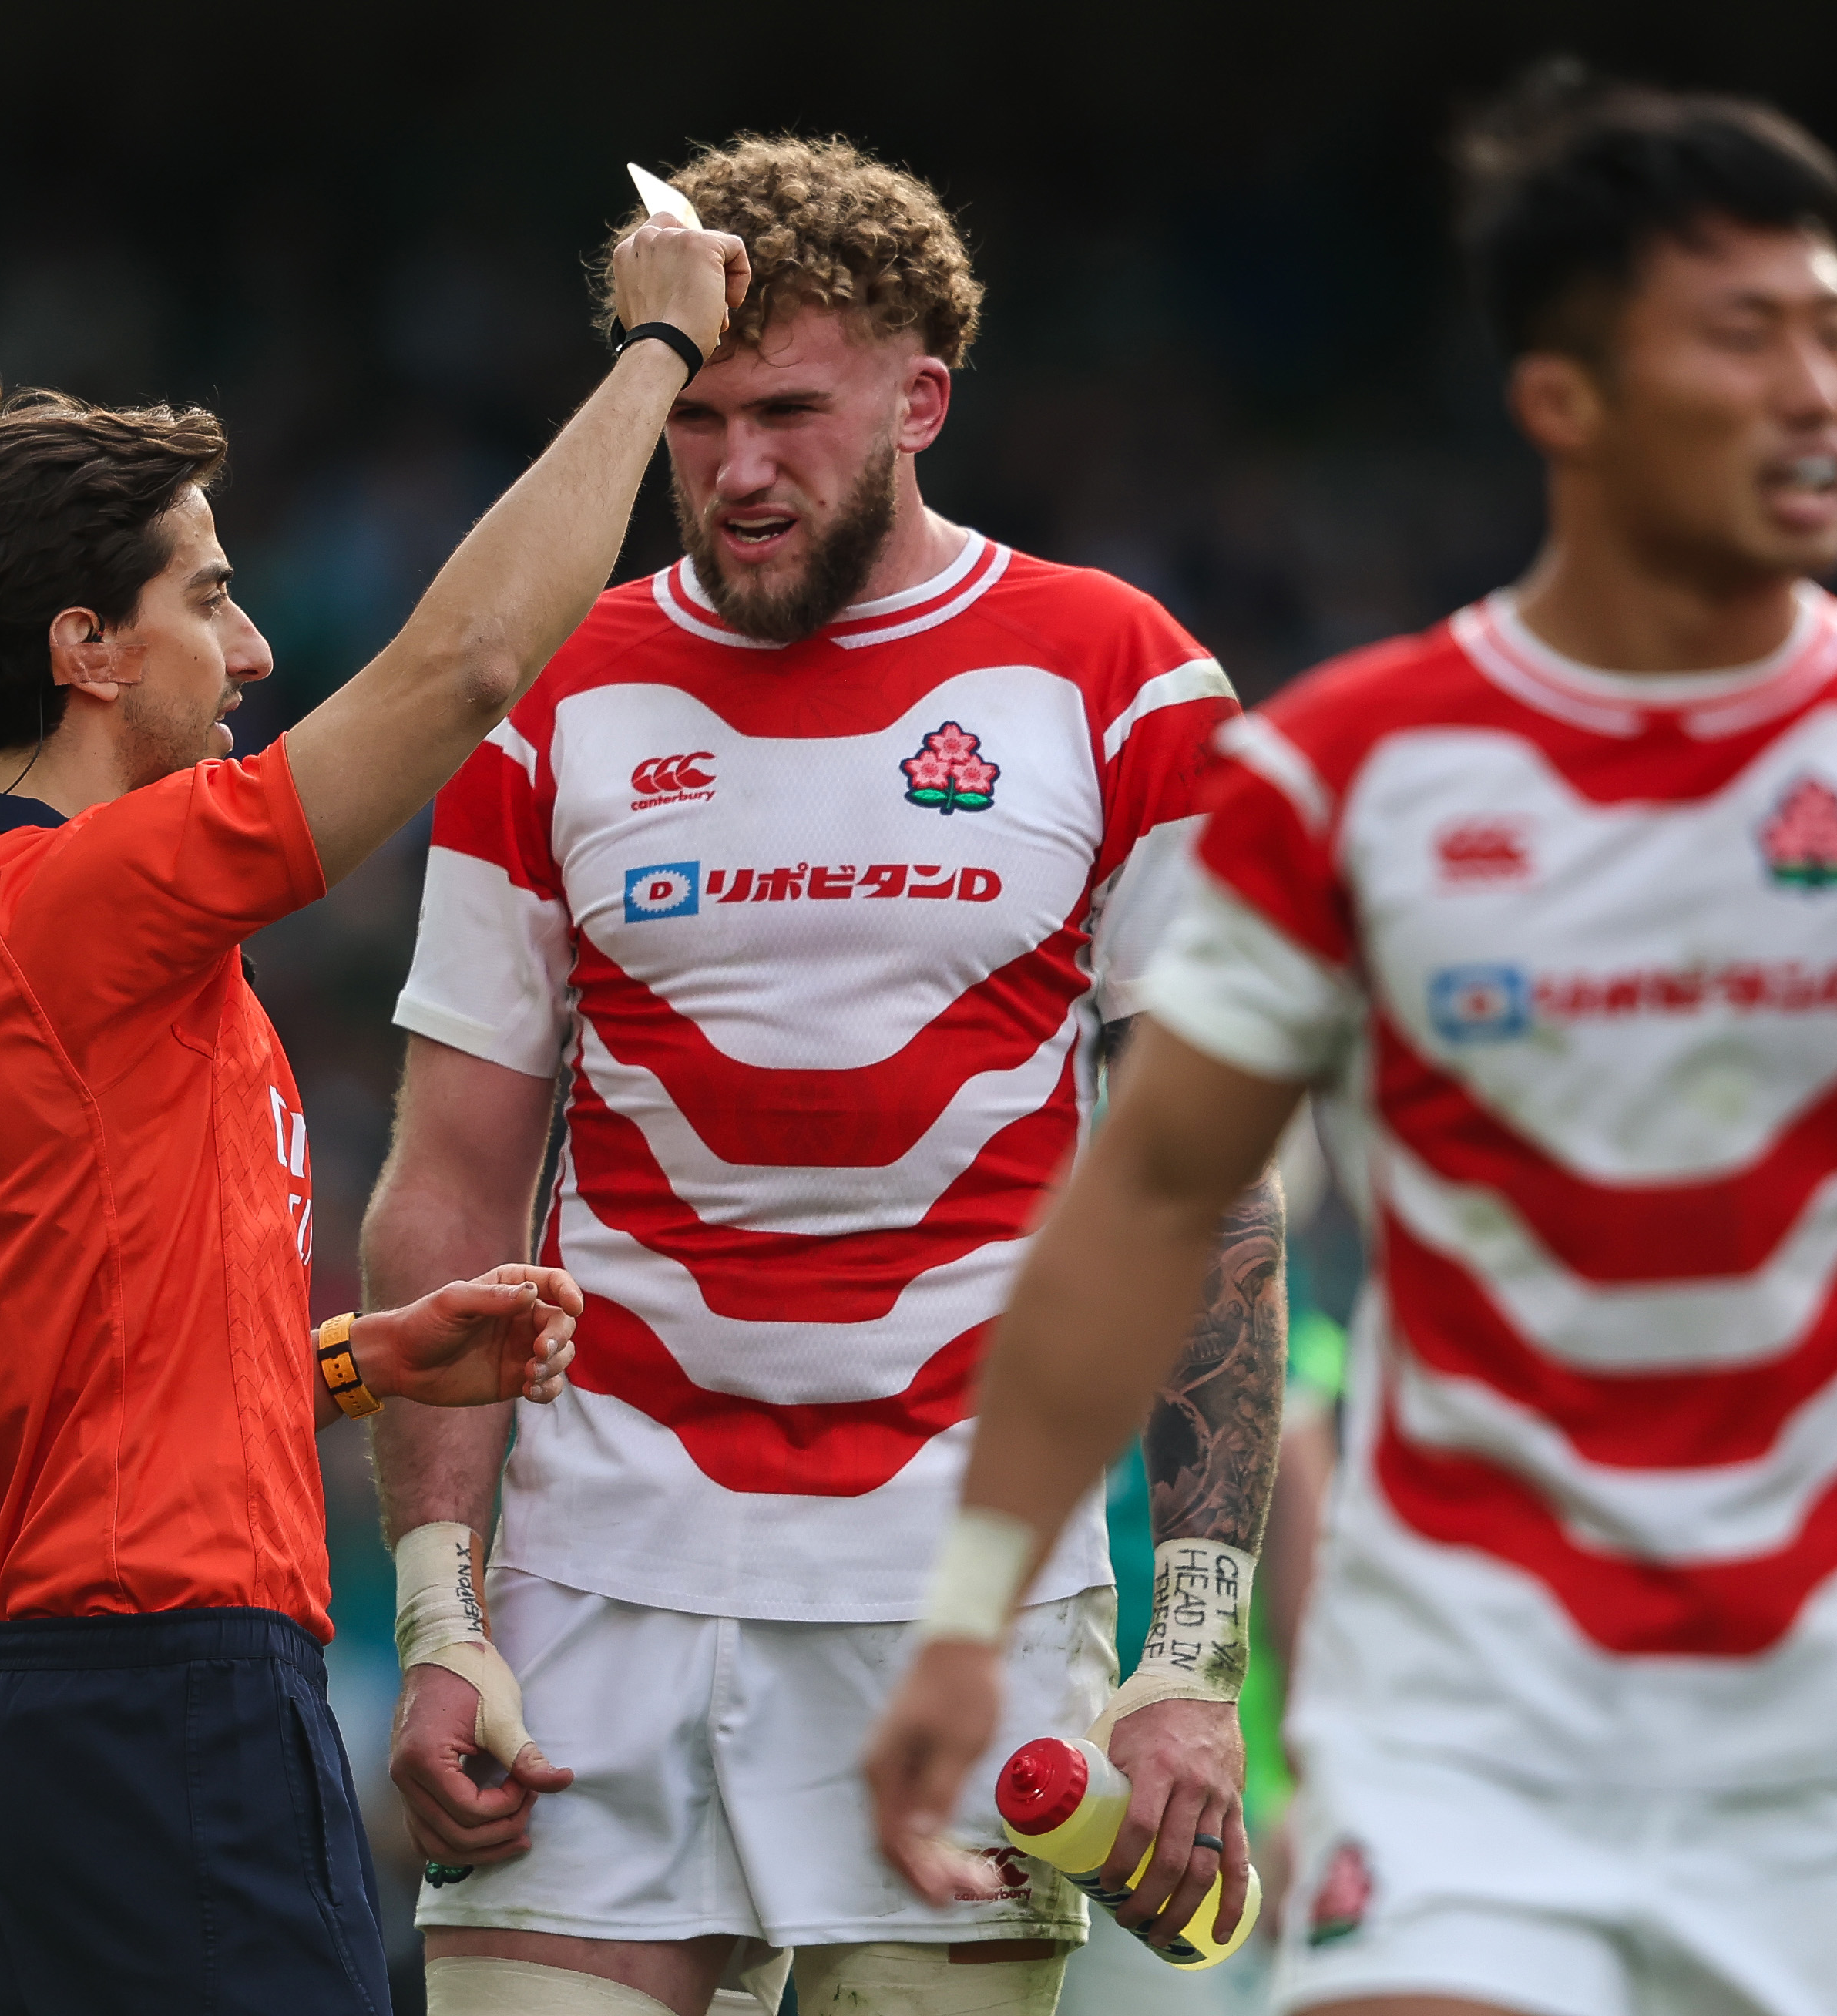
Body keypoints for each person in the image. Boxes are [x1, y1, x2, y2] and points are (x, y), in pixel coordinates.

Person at [864, 66, 1837, 2016]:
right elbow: (1151, 1202)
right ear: (1566, 401)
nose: (1813, 387)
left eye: (1829, 330)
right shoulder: (1349, 770)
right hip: (1467, 1706)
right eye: (1747, 337)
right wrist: (976, 1615)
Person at [363, 134, 1288, 2016]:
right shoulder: (549, 695)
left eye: (789, 411)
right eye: (697, 421)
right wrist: (439, 1617)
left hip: (966, 1603)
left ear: (922, 397)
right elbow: (448, 1186)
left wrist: (1194, 1657)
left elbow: (1199, 1191)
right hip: (599, 1587)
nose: (740, 471)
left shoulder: (1125, 683)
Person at [0, 219, 746, 2016]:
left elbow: (86, 1354)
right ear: (86, 649)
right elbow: (469, 668)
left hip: (51, 1712)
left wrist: (360, 1362)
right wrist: (659, 353)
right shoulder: (91, 902)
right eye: (209, 598)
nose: (253, 650)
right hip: (169, 1700)